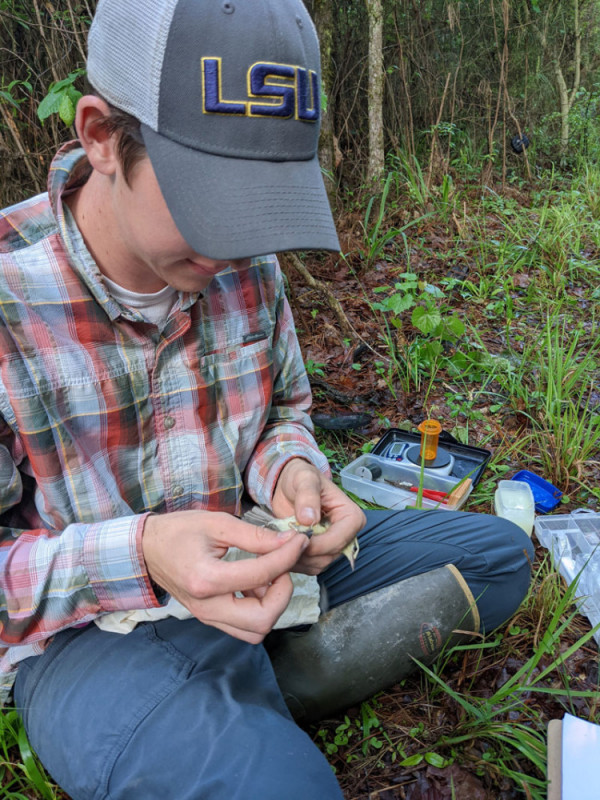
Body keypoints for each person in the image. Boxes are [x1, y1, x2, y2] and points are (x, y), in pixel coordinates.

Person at [0, 1, 534, 798]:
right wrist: (145, 552)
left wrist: (293, 473)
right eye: (208, 198)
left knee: (499, 557)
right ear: (101, 136)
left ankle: (242, 690)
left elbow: (284, 412)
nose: (230, 244)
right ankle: (232, 711)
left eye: (254, 205)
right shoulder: (12, 297)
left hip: (258, 570)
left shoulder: (238, 261)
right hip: (90, 633)